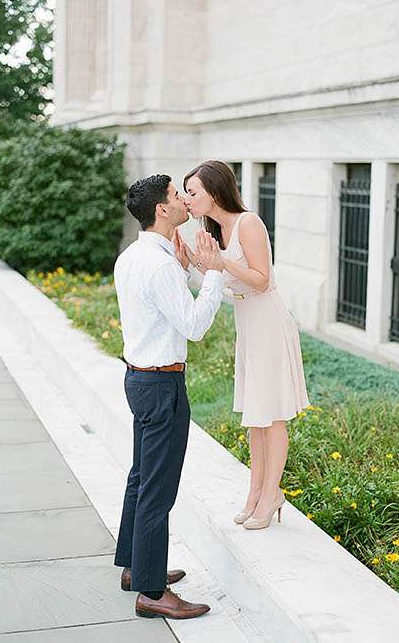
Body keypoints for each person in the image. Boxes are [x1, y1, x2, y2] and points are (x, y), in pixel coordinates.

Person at [114, 174, 224, 619]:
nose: (183, 200)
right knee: (157, 490)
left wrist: (183, 269)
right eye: (177, 196)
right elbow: (194, 326)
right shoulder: (158, 265)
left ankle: (134, 569)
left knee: (141, 479)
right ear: (162, 209)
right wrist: (212, 274)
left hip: (139, 381)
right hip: (161, 386)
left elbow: (155, 309)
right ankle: (152, 592)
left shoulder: (135, 256)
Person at [179, 160, 308, 530]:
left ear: (215, 191)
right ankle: (255, 493)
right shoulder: (217, 230)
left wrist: (219, 262)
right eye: (186, 193)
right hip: (247, 323)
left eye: (193, 192)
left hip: (268, 320)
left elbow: (262, 279)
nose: (188, 200)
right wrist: (193, 263)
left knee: (273, 413)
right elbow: (221, 279)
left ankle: (272, 494)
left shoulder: (247, 223)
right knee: (255, 414)